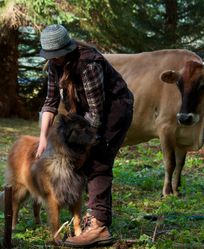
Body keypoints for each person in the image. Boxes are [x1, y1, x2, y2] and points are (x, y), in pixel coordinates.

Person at [36, 24, 134, 247]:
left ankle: (99, 227)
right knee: (82, 161)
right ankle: (95, 213)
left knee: (98, 161)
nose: (54, 60)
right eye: (50, 56)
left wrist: (86, 149)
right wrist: (43, 138)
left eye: (57, 56)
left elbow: (96, 114)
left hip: (114, 110)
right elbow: (50, 102)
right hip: (86, 113)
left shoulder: (87, 64)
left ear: (67, 49)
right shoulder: (54, 65)